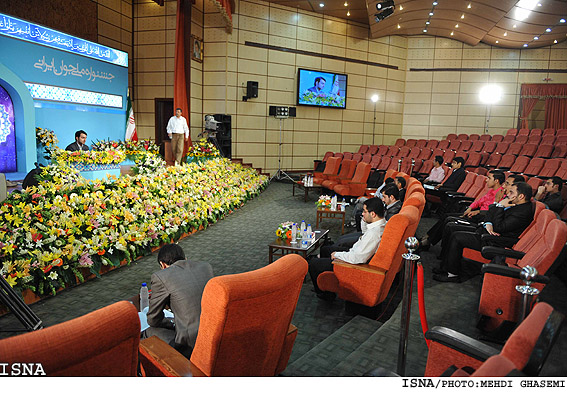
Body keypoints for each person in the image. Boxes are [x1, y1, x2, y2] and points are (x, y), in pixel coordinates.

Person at [433, 182, 534, 283]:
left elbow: (499, 227)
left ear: (521, 196)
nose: (507, 194)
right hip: (486, 231)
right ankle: (445, 267)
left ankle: (452, 274)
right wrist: (489, 222)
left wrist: (499, 207)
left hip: (494, 241)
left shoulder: (523, 212)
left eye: (511, 192)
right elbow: (489, 214)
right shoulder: (513, 203)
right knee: (453, 229)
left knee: (457, 237)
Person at [143, 243, 213, 358]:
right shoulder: (206, 267)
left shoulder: (161, 277)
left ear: (163, 265)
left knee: (149, 332)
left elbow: (153, 319)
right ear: (185, 258)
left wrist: (171, 323)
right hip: (213, 331)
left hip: (189, 344)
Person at [308, 198, 386, 300]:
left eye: (364, 211)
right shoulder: (381, 223)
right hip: (354, 252)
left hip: (353, 264)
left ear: (373, 214)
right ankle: (325, 284)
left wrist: (337, 255)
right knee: (325, 249)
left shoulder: (373, 234)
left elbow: (358, 258)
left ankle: (325, 294)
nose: (362, 214)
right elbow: (364, 232)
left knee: (314, 263)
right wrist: (364, 220)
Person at [419, 170, 505, 250]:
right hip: (474, 214)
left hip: (481, 218)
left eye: (489, 178)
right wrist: (470, 207)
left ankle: (428, 241)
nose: (486, 180)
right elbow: (479, 201)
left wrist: (478, 211)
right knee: (446, 216)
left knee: (449, 220)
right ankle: (428, 238)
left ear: (496, 181)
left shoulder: (500, 194)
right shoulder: (491, 191)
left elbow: (494, 212)